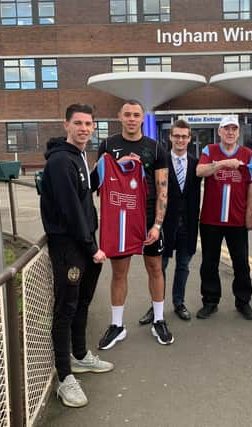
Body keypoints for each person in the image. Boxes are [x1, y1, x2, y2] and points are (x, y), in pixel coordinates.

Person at [40, 103, 113, 408]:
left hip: (84, 244)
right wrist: (91, 247)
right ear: (66, 125)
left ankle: (80, 355)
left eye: (89, 124)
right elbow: (70, 210)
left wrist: (105, 169)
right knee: (65, 308)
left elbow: (84, 194)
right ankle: (64, 378)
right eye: (78, 123)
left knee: (82, 301)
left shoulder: (80, 156)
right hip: (70, 247)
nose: (84, 128)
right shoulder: (60, 161)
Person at [96, 99, 174, 349]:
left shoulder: (156, 147)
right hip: (121, 218)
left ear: (143, 118)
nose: (131, 118)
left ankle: (159, 320)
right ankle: (117, 325)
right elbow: (101, 183)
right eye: (127, 114)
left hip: (149, 218)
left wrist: (157, 225)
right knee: (119, 272)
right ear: (120, 116)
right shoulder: (107, 145)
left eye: (136, 115)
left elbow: (163, 189)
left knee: (155, 269)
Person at [139, 120, 201, 323]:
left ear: (189, 138)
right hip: (165, 224)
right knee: (159, 267)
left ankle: (178, 303)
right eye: (177, 136)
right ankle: (155, 307)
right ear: (170, 137)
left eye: (184, 136)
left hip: (189, 225)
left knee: (183, 266)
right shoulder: (161, 160)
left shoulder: (196, 162)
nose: (181, 140)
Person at [196, 115, 252, 320]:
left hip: (237, 220)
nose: (230, 132)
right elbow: (200, 171)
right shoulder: (209, 150)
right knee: (209, 263)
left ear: (238, 132)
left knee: (241, 263)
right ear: (220, 131)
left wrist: (249, 215)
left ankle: (243, 302)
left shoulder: (248, 154)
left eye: (234, 129)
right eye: (226, 129)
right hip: (210, 220)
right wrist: (223, 163)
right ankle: (210, 301)